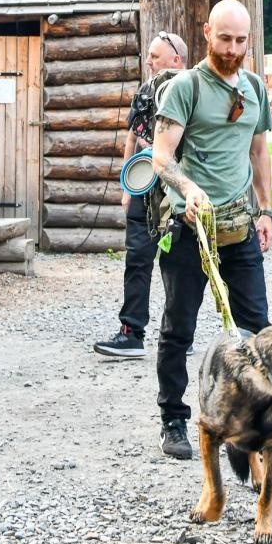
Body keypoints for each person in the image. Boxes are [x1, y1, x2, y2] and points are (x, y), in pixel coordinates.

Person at [152, 0, 272, 464]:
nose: (233, 49)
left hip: (240, 229)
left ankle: (270, 425)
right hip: (190, 230)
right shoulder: (185, 87)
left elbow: (259, 152)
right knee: (178, 328)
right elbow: (161, 156)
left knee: (260, 331)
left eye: (241, 40)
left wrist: (266, 211)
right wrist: (188, 189)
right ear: (207, 33)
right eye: (224, 39)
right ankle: (173, 418)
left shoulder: (255, 87)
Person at [94, 32, 187, 358]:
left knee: (179, 263)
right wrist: (126, 187)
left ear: (176, 59)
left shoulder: (192, 91)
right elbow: (132, 138)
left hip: (178, 190)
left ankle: (180, 335)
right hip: (143, 187)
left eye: (154, 56)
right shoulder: (145, 91)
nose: (148, 61)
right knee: (137, 260)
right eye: (148, 56)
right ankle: (131, 333)